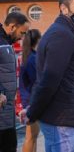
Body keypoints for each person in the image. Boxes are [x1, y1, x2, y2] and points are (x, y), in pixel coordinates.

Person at [21, 0, 74, 152]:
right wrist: (33, 111)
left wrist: (32, 108)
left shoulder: (63, 32)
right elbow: (49, 80)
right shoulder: (62, 34)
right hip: (62, 120)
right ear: (64, 9)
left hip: (60, 117)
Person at [0, 12, 30, 152]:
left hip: (7, 111)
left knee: (11, 146)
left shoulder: (6, 42)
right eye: (22, 33)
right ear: (12, 27)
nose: (22, 37)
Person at [19, 29, 42, 152]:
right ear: (38, 40)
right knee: (30, 137)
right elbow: (36, 81)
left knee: (33, 136)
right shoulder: (32, 58)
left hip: (30, 100)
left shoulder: (30, 56)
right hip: (30, 101)